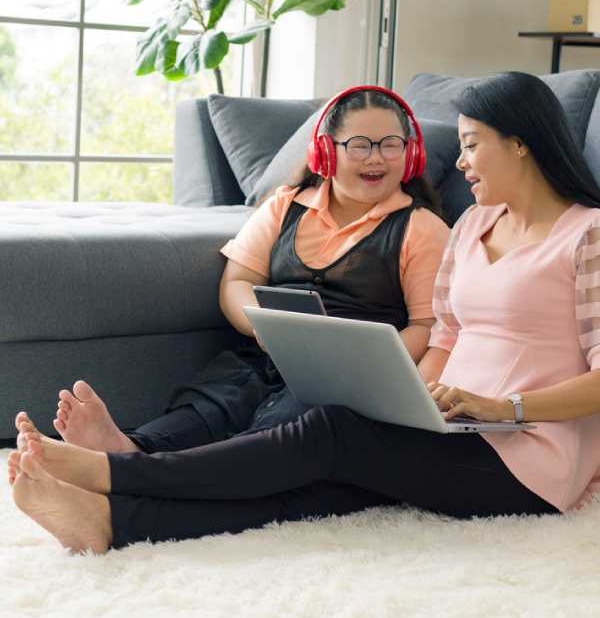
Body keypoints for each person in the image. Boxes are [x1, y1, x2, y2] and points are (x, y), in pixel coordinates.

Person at [11, 71, 600, 556]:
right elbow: (447, 333)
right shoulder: (474, 225)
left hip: (528, 458)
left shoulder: (587, 236)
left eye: (472, 144)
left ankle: (115, 472)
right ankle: (114, 524)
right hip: (454, 428)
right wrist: (409, 406)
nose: (460, 162)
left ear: (520, 141)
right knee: (320, 480)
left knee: (330, 433)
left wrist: (506, 407)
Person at [34, 85, 447, 457]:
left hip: (346, 381)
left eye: (390, 144)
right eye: (359, 145)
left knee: (278, 430)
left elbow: (428, 325)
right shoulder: (286, 204)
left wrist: (368, 366)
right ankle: (130, 447)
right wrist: (261, 327)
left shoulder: (421, 227)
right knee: (213, 402)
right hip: (265, 356)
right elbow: (237, 281)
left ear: (410, 153)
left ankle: (150, 472)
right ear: (325, 152)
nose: (376, 157)